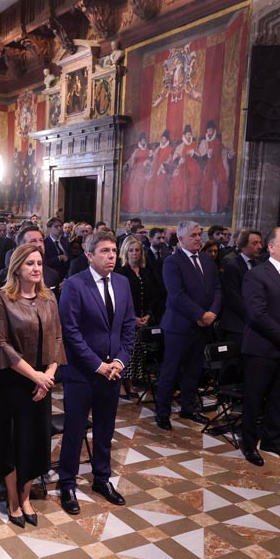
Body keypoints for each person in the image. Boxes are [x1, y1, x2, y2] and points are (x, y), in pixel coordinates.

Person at [57, 232, 136, 515]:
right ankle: (67, 483)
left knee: (105, 429)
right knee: (75, 430)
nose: (112, 256)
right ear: (90, 256)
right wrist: (97, 364)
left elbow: (128, 327)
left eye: (114, 250)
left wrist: (120, 362)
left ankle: (102, 479)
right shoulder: (76, 285)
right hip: (82, 372)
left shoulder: (123, 283)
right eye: (104, 251)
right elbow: (71, 332)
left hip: (112, 372)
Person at [0, 244, 64, 527]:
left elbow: (58, 339)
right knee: (11, 442)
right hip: (13, 382)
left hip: (42, 383)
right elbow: (2, 345)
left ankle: (25, 496)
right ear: (17, 268)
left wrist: (49, 375)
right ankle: (12, 499)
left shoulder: (49, 298)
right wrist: (36, 376)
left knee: (34, 440)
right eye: (30, 263)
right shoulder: (2, 299)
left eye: (39, 263)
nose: (36, 268)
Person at [239, 228, 280, 467]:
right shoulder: (257, 275)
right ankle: (249, 444)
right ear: (271, 247)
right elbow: (257, 314)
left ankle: (273, 440)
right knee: (255, 398)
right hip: (262, 348)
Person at [154, 221, 221, 430]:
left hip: (203, 325)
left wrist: (213, 313)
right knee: (170, 371)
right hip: (179, 326)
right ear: (181, 239)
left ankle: (188, 408)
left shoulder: (206, 260)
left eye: (199, 234)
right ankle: (162, 413)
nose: (198, 238)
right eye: (193, 235)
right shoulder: (172, 262)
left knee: (194, 370)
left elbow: (218, 288)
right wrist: (200, 314)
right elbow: (177, 295)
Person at [114, 234, 162, 399]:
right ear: (126, 253)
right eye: (131, 251)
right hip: (125, 321)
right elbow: (119, 299)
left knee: (137, 354)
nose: (135, 254)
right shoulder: (121, 272)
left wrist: (148, 315)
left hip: (143, 317)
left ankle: (130, 384)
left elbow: (154, 295)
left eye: (138, 250)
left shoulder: (145, 272)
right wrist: (131, 318)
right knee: (124, 352)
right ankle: (120, 384)